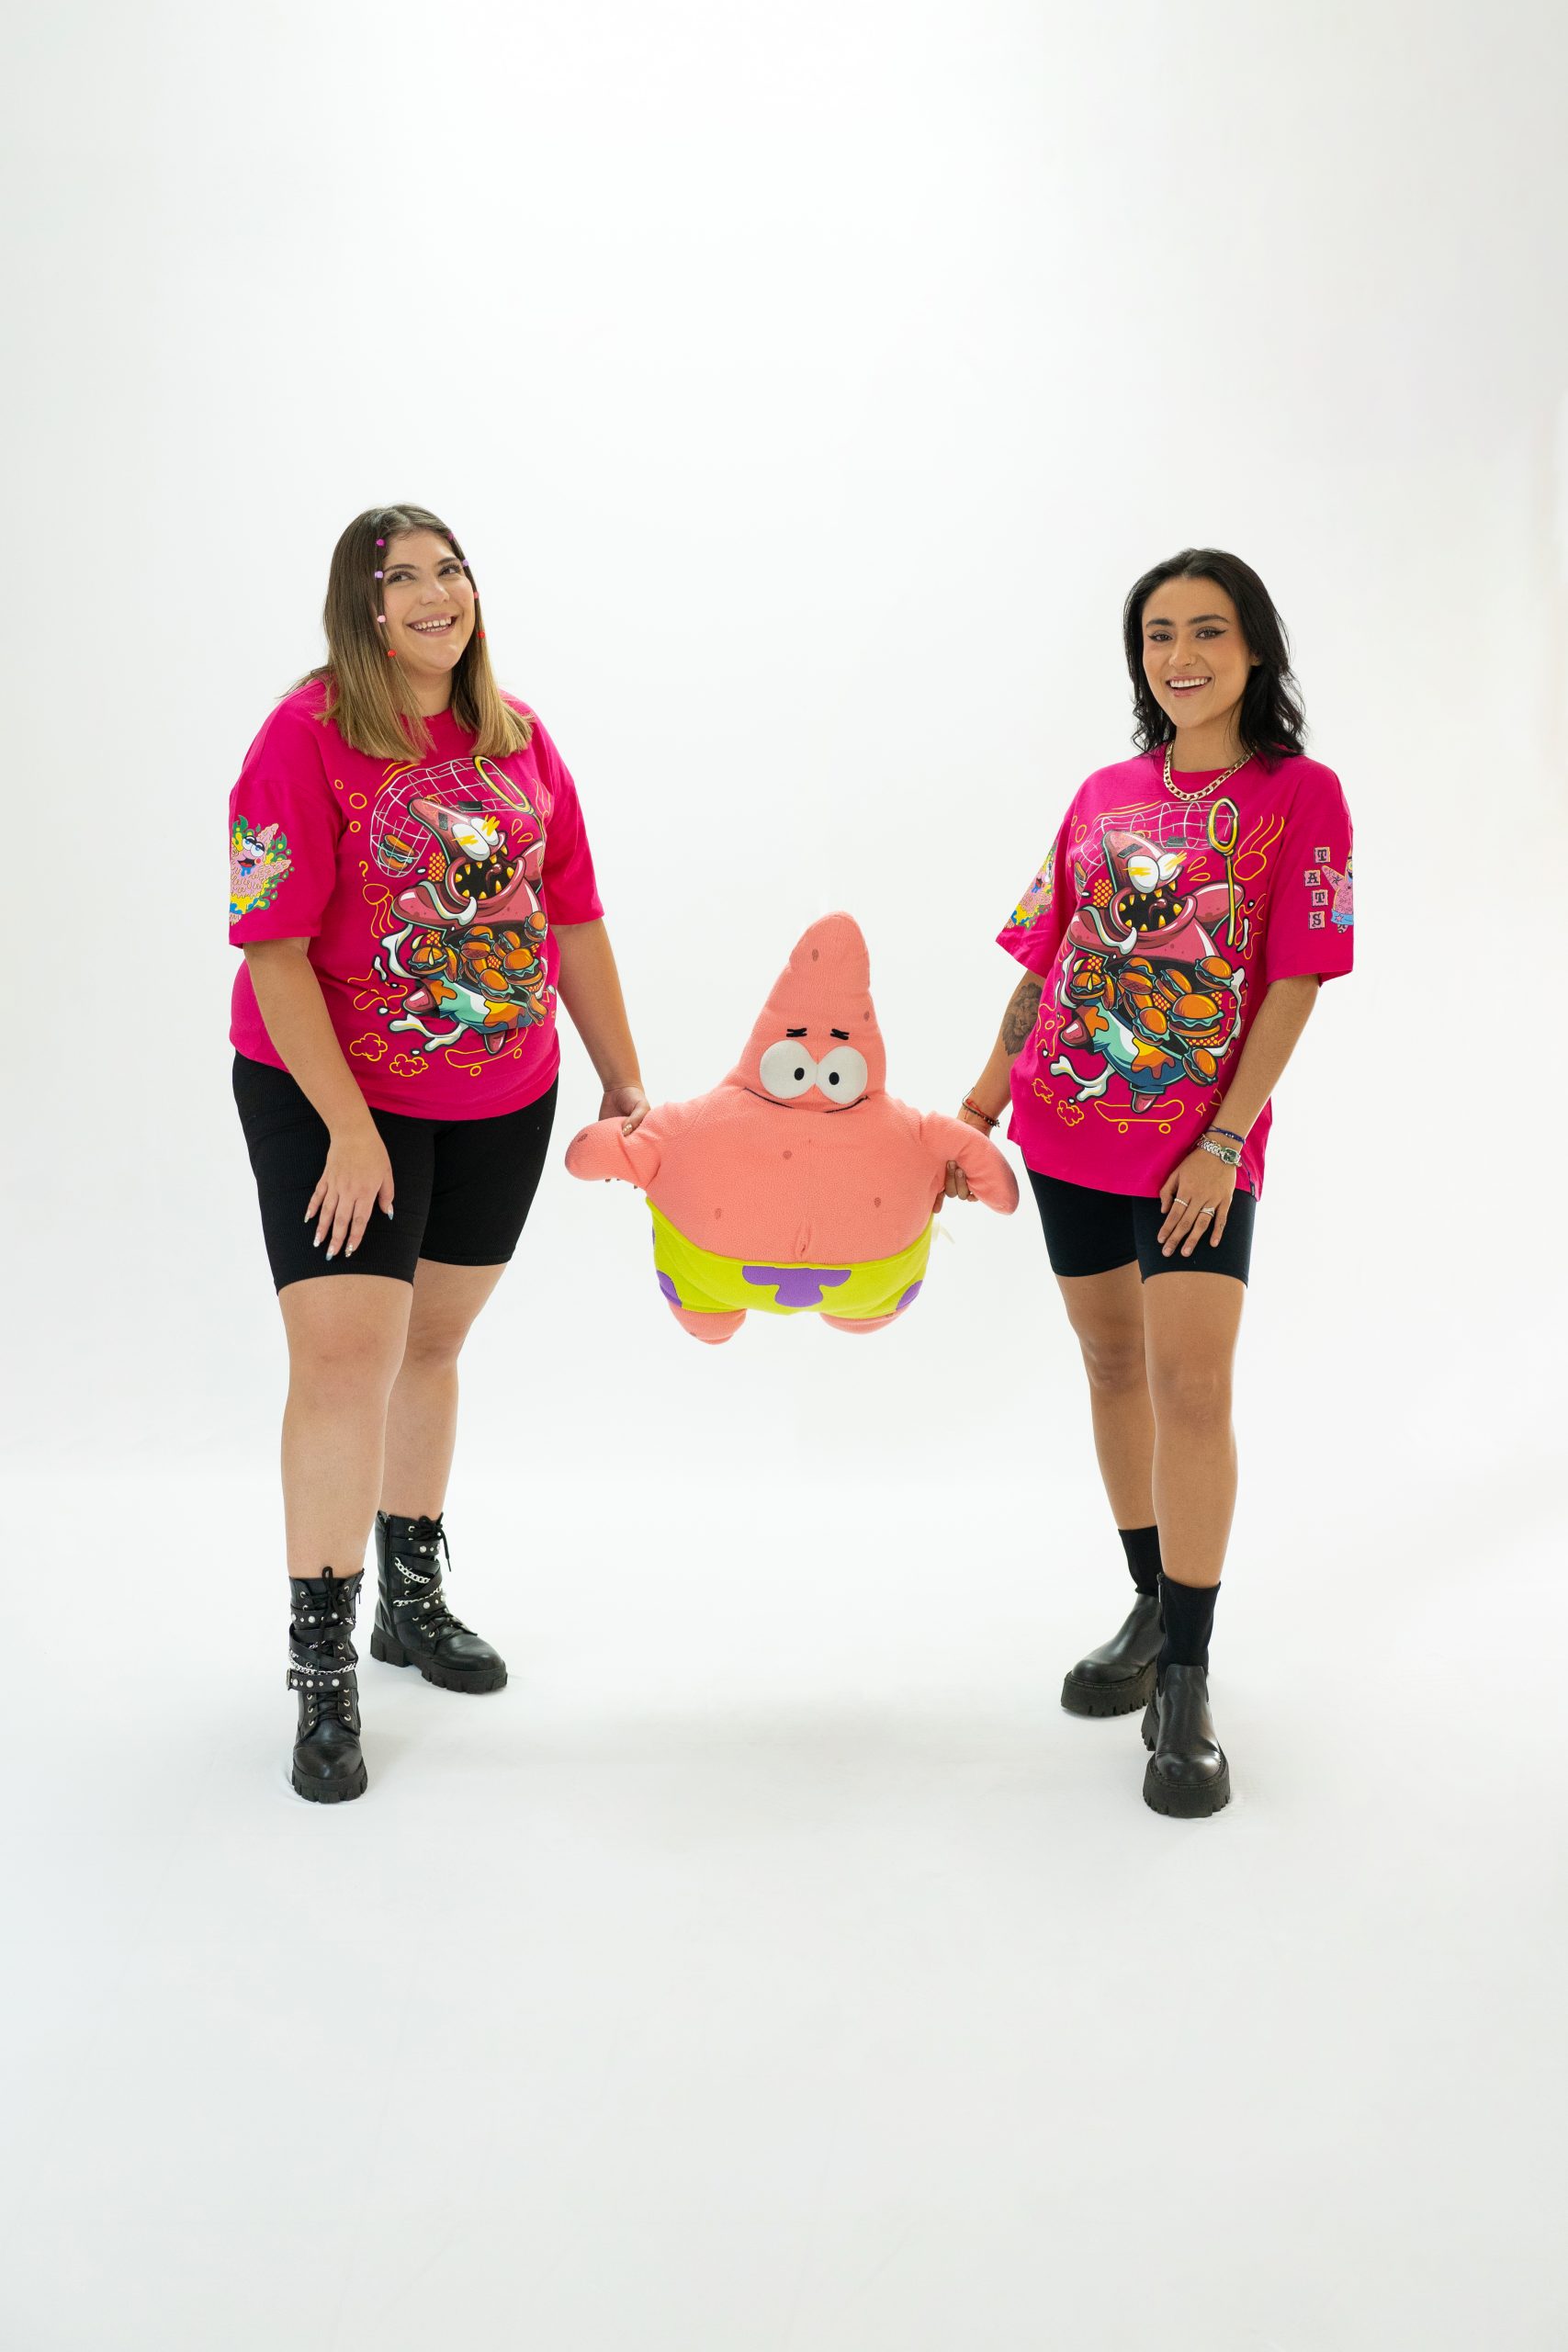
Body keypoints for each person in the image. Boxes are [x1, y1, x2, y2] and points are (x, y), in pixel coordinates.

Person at [229, 503, 648, 1804]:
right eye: (399, 577)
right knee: (343, 1361)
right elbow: (273, 949)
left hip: (501, 1095)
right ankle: (321, 1668)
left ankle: (408, 1597)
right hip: (329, 1094)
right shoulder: (303, 737)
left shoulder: (516, 736)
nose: (432, 593)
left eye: (449, 569)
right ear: (359, 610)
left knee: (432, 1344)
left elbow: (572, 919)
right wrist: (351, 1131)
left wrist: (624, 1077)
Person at [948, 548, 1353, 1817]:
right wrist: (979, 1108)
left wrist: (1225, 1142)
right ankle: (1146, 1602)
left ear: (1255, 648)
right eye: (1160, 634)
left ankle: (1186, 1674)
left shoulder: (1302, 796)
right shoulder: (1103, 794)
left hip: (1196, 1155)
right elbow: (1049, 958)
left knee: (1192, 1387)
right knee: (1113, 1365)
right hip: (1065, 1127)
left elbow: (1295, 978)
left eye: (1208, 631)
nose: (1181, 656)